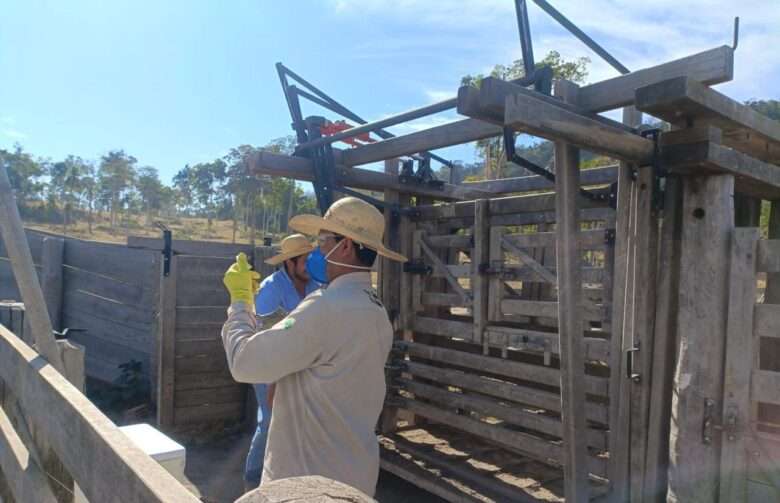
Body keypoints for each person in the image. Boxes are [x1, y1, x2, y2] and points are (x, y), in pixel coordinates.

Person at [221, 197, 407, 496]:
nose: (318, 250)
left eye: (324, 240)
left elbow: (244, 362)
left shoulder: (326, 307)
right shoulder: (375, 310)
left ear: (345, 246)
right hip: (355, 478)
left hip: (306, 484)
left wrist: (240, 302)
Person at [243, 234, 320, 491]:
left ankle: (286, 481)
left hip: (297, 366)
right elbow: (263, 339)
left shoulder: (314, 287)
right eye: (306, 260)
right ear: (290, 263)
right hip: (269, 366)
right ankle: (252, 482)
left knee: (297, 422)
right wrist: (274, 379)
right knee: (269, 421)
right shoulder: (270, 289)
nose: (310, 265)